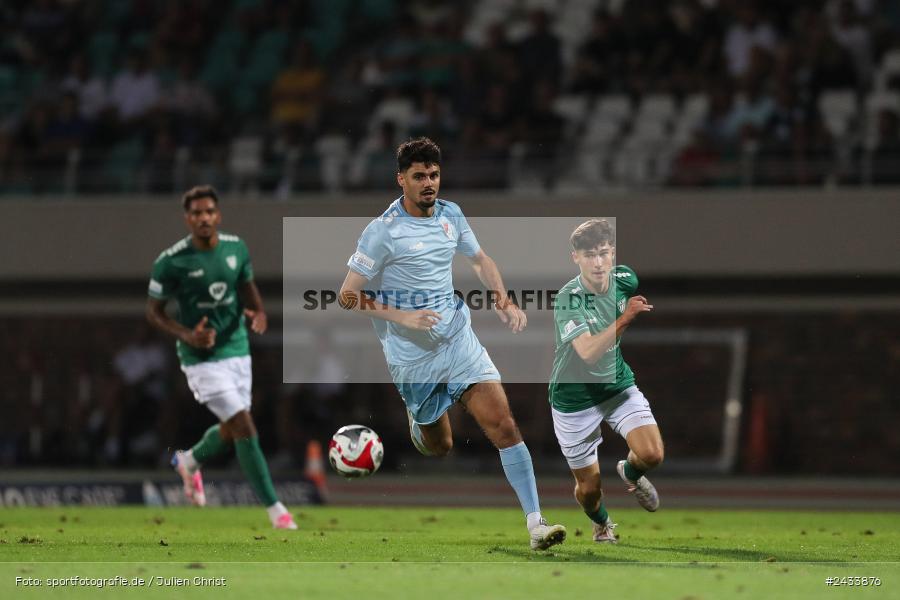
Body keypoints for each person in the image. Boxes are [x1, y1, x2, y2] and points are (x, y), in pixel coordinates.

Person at [338, 137, 566, 551]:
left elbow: (480, 259)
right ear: (401, 180)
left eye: (434, 175)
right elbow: (347, 295)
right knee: (440, 446)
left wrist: (502, 298)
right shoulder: (381, 232)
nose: (429, 183)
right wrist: (402, 316)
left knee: (504, 424)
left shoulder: (451, 214)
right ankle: (419, 421)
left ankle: (536, 523)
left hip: (458, 341)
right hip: (412, 357)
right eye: (419, 176)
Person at [146, 185, 297, 530]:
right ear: (188, 219)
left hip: (238, 350)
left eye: (209, 212)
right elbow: (153, 312)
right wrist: (187, 335)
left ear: (218, 215)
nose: (204, 218)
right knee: (244, 425)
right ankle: (277, 511)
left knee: (232, 428)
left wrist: (259, 312)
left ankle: (189, 462)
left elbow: (247, 286)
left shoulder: (236, 248)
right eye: (196, 213)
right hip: (201, 358)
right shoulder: (171, 262)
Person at [548, 219, 664, 543]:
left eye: (603, 253)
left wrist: (622, 317)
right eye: (589, 255)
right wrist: (625, 318)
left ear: (612, 252)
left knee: (652, 454)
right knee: (589, 490)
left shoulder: (625, 279)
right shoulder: (569, 298)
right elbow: (587, 352)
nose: (598, 262)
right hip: (575, 399)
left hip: (616, 386)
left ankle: (630, 472)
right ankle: (601, 522)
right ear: (576, 258)